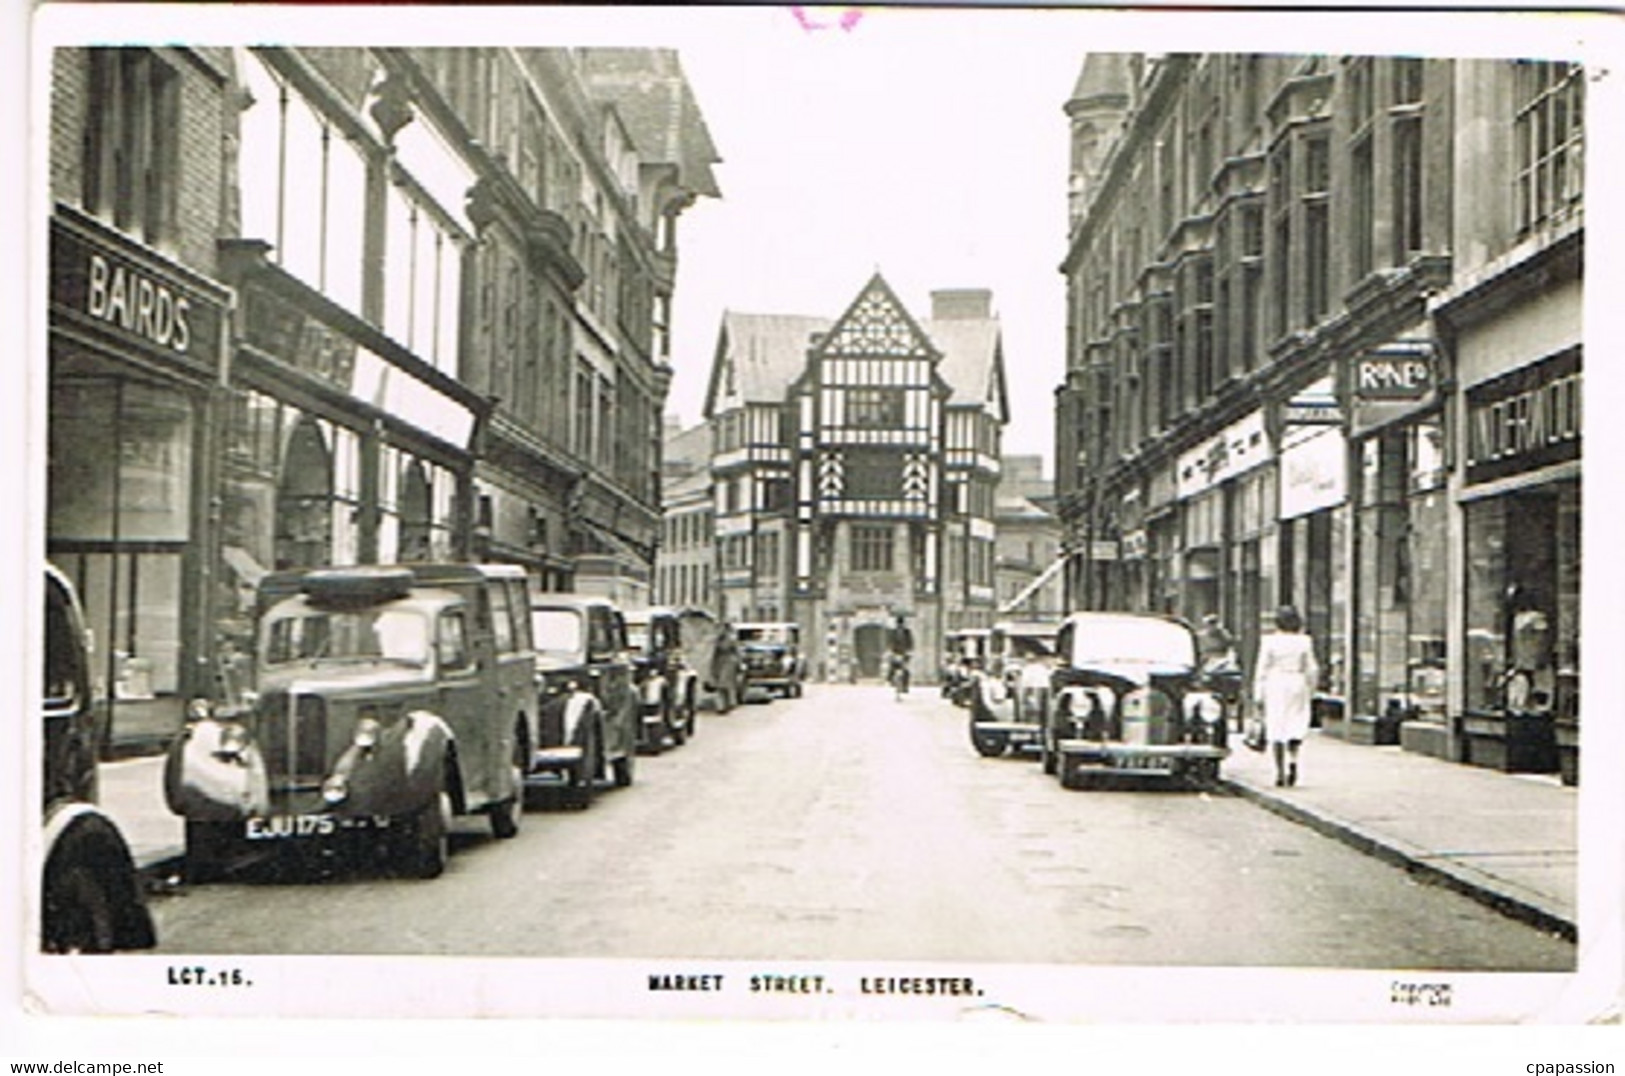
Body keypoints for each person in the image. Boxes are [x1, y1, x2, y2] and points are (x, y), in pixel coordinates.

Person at [1252, 605, 1319, 787]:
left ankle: (1279, 771)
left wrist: (1258, 694)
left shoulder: (1269, 641)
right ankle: (1294, 759)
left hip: (1275, 683)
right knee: (1294, 724)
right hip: (1297, 682)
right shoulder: (1304, 641)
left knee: (1276, 725)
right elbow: (1312, 668)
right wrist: (1311, 689)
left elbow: (1262, 668)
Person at [886, 614, 914, 692]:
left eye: (901, 624)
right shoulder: (893, 632)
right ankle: (890, 680)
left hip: (904, 653)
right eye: (899, 624)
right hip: (895, 652)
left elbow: (910, 643)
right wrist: (890, 651)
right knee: (892, 667)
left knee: (905, 670)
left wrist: (909, 651)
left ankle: (905, 686)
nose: (900, 626)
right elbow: (890, 643)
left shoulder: (907, 632)